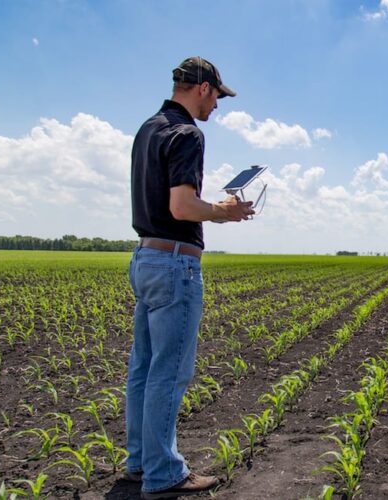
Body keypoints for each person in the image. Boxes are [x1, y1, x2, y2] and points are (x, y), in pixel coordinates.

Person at [125, 56, 254, 499]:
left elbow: (167, 202)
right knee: (169, 371)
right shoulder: (187, 134)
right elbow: (182, 207)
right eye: (217, 95)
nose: (217, 106)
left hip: (144, 258)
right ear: (202, 88)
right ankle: (164, 473)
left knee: (143, 368)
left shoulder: (148, 129)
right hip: (174, 262)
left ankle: (140, 462)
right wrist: (226, 211)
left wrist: (212, 208)